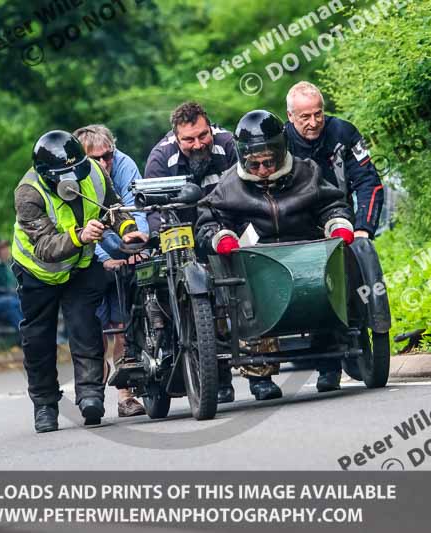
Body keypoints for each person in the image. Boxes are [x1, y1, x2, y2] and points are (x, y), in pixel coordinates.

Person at [196, 110, 356, 396]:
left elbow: (333, 204)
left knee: (326, 288)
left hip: (308, 256)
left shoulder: (308, 171)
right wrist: (222, 237)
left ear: (282, 151)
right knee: (248, 296)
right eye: (254, 163)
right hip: (258, 263)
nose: (263, 169)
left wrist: (337, 224)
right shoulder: (228, 186)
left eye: (269, 161)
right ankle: (260, 375)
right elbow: (209, 222)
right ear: (243, 157)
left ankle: (330, 363)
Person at [12, 130, 148, 433]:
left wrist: (127, 230)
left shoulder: (96, 175)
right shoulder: (28, 193)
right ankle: (45, 405)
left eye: (77, 169)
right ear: (47, 175)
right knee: (39, 341)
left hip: (81, 268)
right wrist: (80, 235)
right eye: (64, 174)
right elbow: (45, 247)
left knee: (86, 327)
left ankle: (91, 396)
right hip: (38, 272)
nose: (73, 177)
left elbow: (112, 207)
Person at [144, 101, 241, 404]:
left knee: (240, 294)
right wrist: (165, 238)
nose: (198, 144)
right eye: (189, 139)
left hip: (225, 230)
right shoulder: (160, 158)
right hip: (182, 237)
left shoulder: (229, 145)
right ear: (176, 137)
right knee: (185, 296)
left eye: (202, 135)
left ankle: (260, 374)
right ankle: (211, 374)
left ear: (210, 128)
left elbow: (250, 191)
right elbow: (153, 211)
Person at [74, 124, 149, 418]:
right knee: (94, 330)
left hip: (123, 253)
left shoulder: (124, 165)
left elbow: (137, 211)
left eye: (108, 156)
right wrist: (104, 258)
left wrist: (134, 248)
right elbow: (76, 231)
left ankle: (126, 394)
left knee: (124, 325)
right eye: (96, 160)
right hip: (88, 259)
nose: (105, 164)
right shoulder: (70, 180)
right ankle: (96, 372)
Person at [285, 81, 384, 239]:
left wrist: (363, 228)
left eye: (318, 114)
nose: (314, 122)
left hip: (343, 224)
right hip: (297, 229)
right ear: (290, 116)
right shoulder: (281, 144)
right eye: (305, 117)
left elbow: (368, 181)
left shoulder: (345, 132)